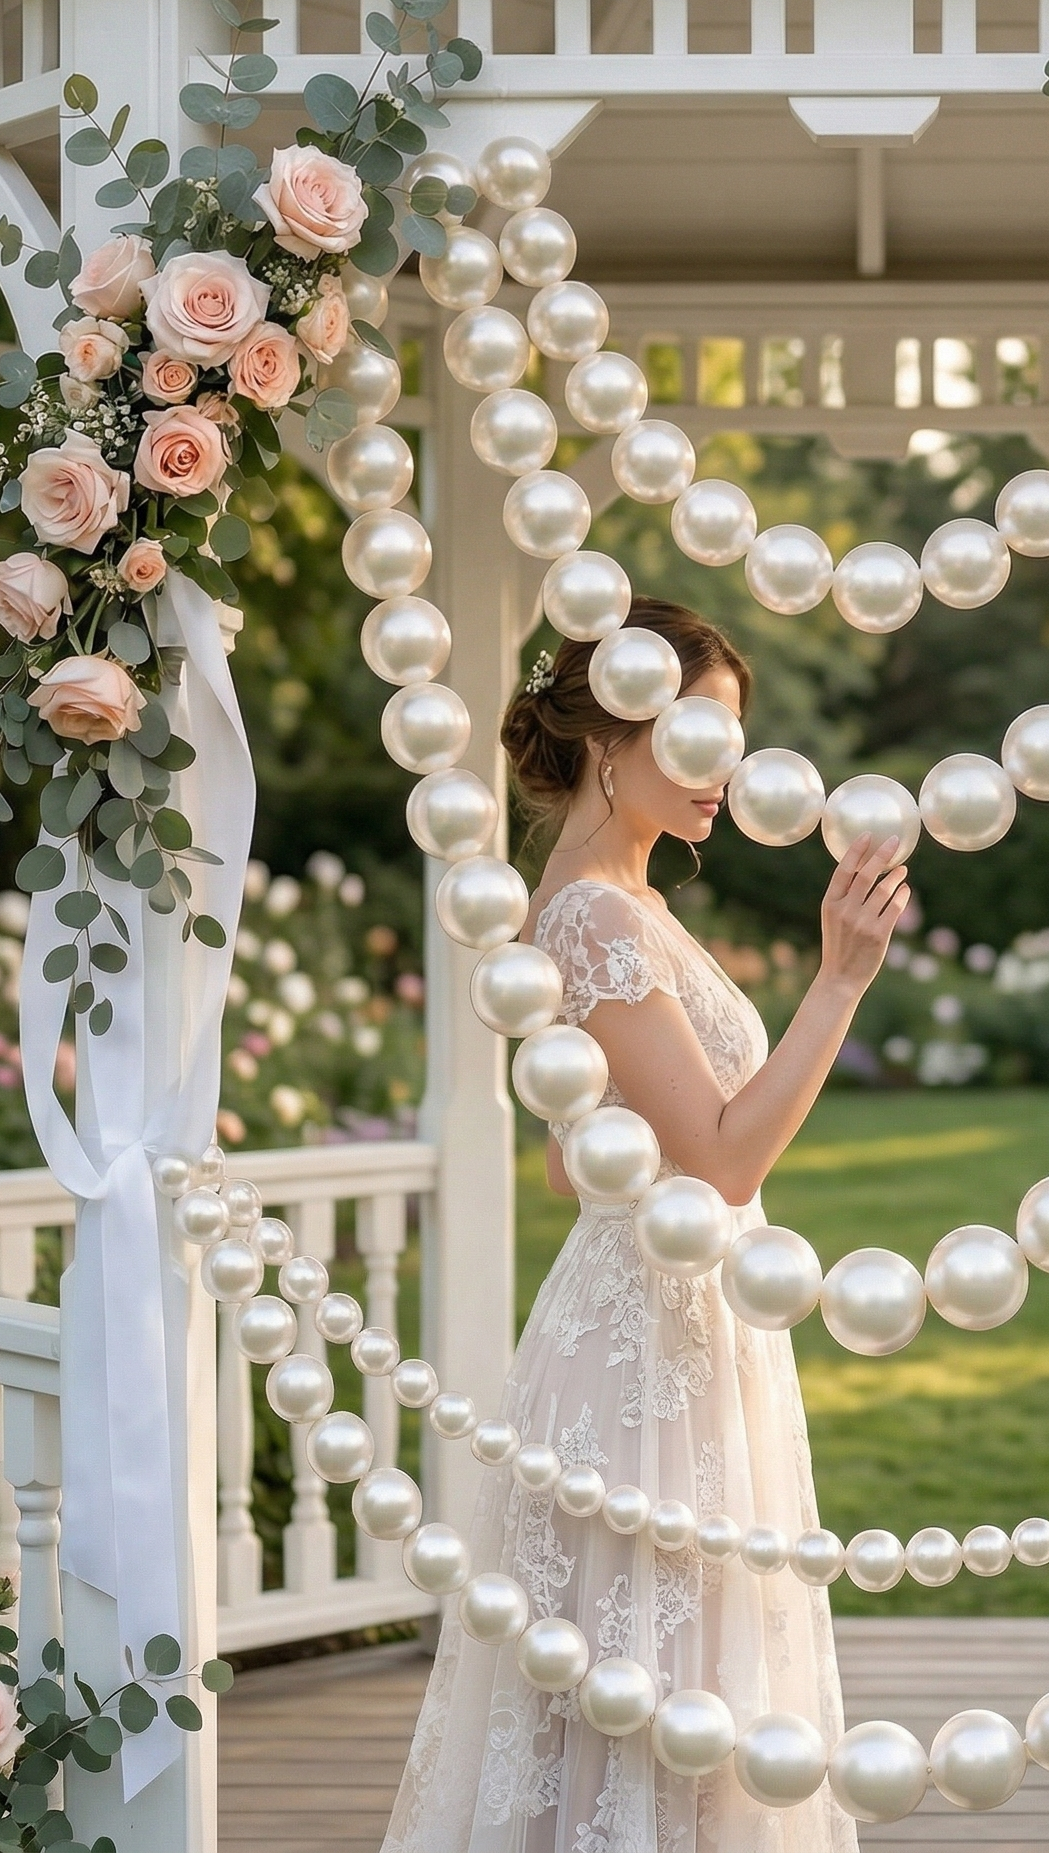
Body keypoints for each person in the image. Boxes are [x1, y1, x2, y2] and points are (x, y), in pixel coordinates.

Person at [384, 597, 909, 1853]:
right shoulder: (600, 917)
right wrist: (837, 981)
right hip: (651, 1341)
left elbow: (577, 1166)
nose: (726, 770)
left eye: (734, 741)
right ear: (612, 740)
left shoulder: (604, 900)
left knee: (653, 1670)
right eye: (698, 736)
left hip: (656, 1310)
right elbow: (726, 1160)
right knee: (651, 1667)